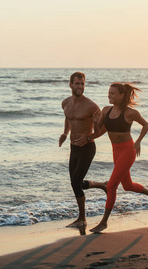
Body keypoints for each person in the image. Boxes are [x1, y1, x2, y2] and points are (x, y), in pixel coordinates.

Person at [89, 82, 148, 233]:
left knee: (111, 186)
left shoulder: (130, 113)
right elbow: (98, 131)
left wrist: (139, 141)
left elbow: (146, 125)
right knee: (127, 186)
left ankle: (104, 222)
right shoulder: (106, 110)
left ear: (121, 96)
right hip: (116, 151)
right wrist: (95, 123)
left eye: (113, 93)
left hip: (128, 151)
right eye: (109, 93)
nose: (109, 95)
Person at [59, 72, 107, 228]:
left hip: (87, 148)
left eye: (82, 84)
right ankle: (102, 185)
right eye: (77, 83)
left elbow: (102, 129)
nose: (80, 86)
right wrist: (65, 134)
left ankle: (82, 219)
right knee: (75, 181)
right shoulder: (65, 103)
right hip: (73, 148)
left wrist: (88, 136)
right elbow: (68, 119)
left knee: (75, 182)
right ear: (70, 84)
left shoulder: (92, 106)